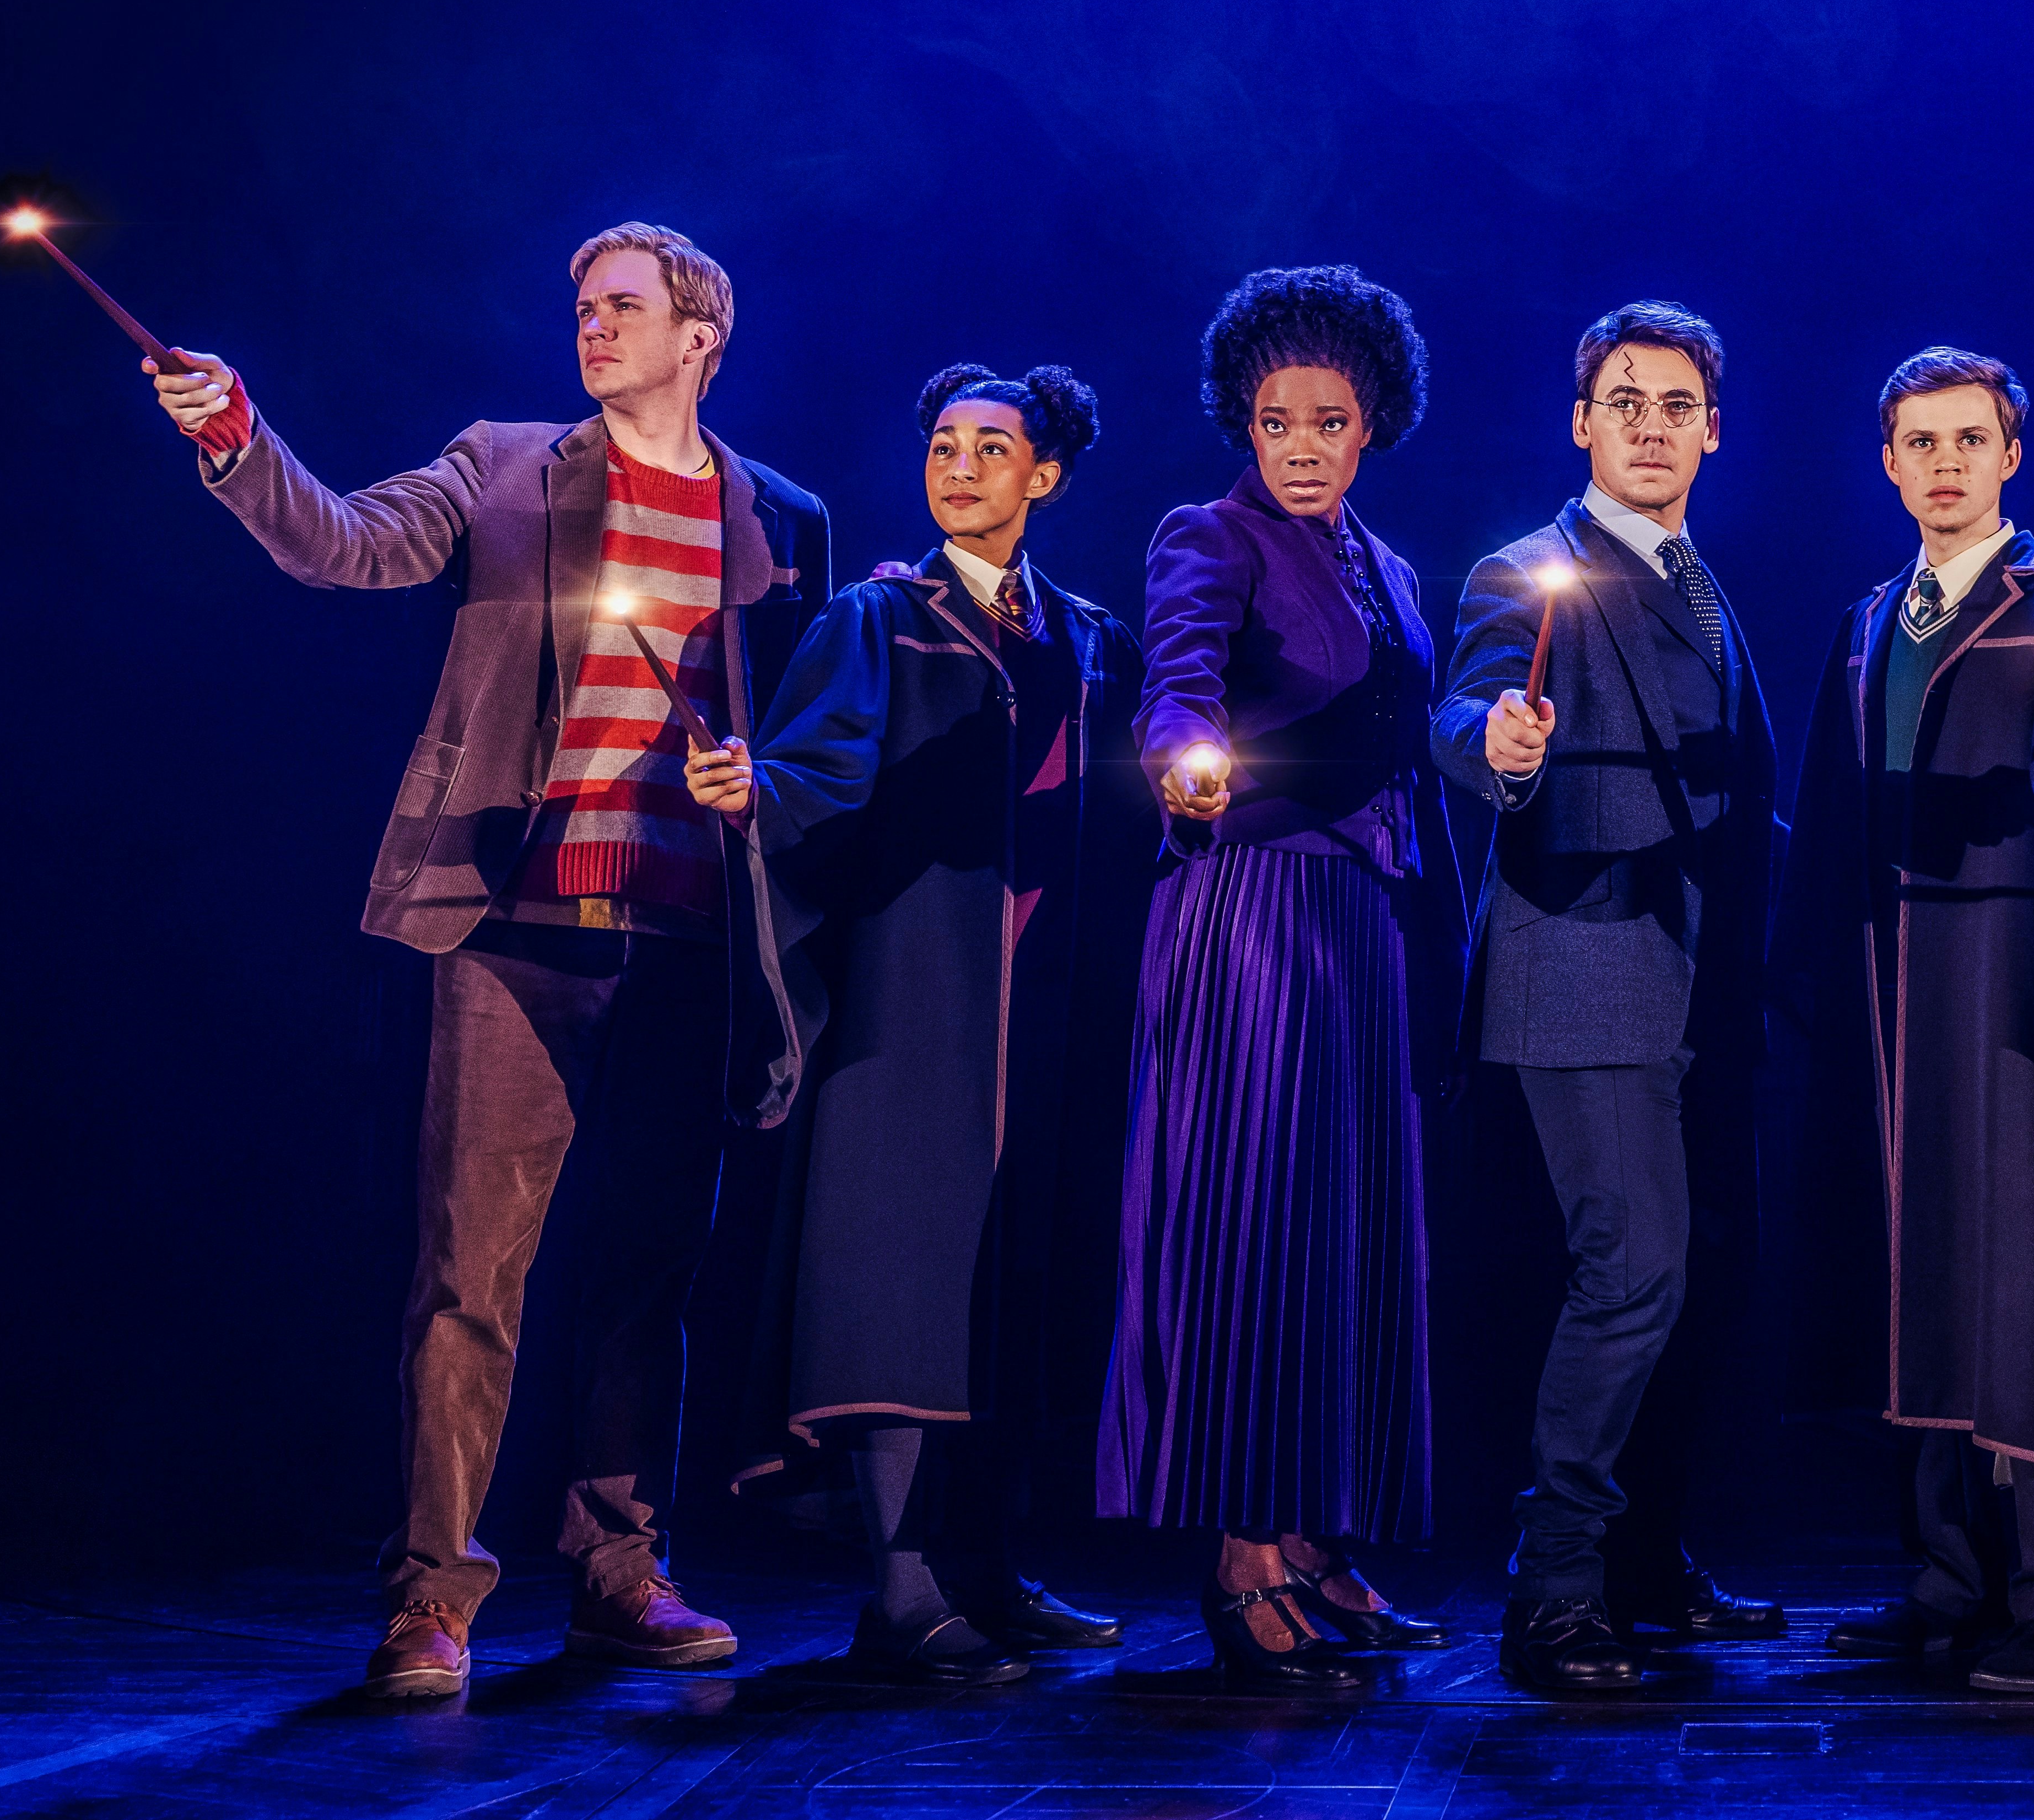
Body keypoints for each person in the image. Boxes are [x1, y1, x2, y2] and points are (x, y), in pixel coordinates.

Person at [144, 222, 827, 1700]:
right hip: (515, 925)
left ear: (702, 335)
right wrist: (241, 442)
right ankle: (432, 1600)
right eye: (583, 307)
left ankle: (621, 1573)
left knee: (650, 1276)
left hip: (688, 939)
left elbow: (808, 735)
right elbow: (348, 543)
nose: (593, 327)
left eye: (624, 308)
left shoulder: (782, 518)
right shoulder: (509, 463)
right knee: (471, 1274)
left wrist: (752, 777)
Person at [692, 363, 1153, 1684]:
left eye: (992, 448)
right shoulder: (881, 620)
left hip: (1046, 1007)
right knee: (894, 1286)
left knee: (1003, 1286)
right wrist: (753, 792)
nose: (960, 466)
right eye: (945, 443)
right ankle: (899, 1593)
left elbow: (1119, 803)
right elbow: (816, 770)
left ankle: (990, 1569)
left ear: (1044, 475)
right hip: (916, 1005)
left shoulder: (1087, 637)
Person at [1780, 347, 2034, 1696]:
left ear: (2013, 454)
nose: (1945, 463)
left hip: (2023, 972)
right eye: (1919, 442)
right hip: (1896, 984)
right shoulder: (1865, 618)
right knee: (1924, 1270)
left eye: (1970, 439)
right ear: (1888, 462)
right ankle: (1950, 1583)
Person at [1098, 266, 1461, 1695]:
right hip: (1251, 910)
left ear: (1371, 423)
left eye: (1328, 419)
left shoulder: (1394, 566)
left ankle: (1319, 1540)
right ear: (1244, 424)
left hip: (1363, 923)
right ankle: (1244, 1558)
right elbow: (1177, 677)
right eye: (1276, 419)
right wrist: (1183, 749)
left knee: (1346, 1235)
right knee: (1251, 1225)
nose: (1301, 444)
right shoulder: (1211, 534)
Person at [1429, 303, 1783, 1695]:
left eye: (1676, 403)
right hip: (1581, 962)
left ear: (1712, 427)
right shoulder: (1527, 571)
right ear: (1582, 424)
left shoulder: (1697, 572)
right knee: (1630, 1273)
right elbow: (1469, 716)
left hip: (1700, 977)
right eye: (1623, 402)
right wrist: (1499, 748)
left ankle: (1643, 1565)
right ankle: (1555, 1588)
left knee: (1689, 1282)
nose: (1650, 424)